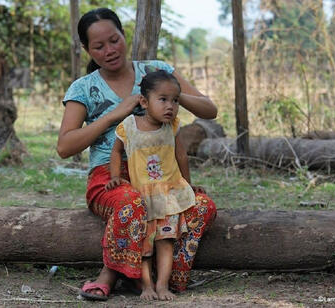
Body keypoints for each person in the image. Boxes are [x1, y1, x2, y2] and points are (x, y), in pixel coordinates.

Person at [57, 7, 217, 301]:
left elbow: (210, 109)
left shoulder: (155, 71)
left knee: (203, 206)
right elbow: (65, 147)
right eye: (99, 46)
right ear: (86, 50)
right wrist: (112, 116)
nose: (110, 50)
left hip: (161, 174)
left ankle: (164, 275)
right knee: (132, 201)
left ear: (124, 35)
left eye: (114, 40)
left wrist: (167, 96)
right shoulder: (83, 88)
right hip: (111, 176)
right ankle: (111, 273)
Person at [105, 70, 203, 300]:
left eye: (175, 100)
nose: (171, 106)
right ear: (144, 101)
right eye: (163, 99)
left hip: (168, 195)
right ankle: (146, 286)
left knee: (166, 242)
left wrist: (188, 185)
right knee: (145, 245)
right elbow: (116, 152)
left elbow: (182, 157)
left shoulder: (173, 127)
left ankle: (162, 286)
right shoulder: (129, 126)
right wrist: (114, 176)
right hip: (143, 197)